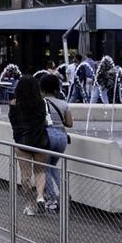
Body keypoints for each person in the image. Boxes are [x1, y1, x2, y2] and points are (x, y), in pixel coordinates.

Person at [9, 72, 52, 217]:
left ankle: (29, 205)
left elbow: (13, 123)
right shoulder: (41, 102)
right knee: (40, 172)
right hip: (40, 141)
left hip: (23, 143)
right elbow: (43, 121)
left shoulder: (14, 104)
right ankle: (40, 196)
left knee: (26, 176)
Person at [40, 71, 71, 214]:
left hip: (47, 137)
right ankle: (65, 193)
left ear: (43, 89)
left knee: (45, 167)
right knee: (53, 166)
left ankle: (52, 201)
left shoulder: (41, 103)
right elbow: (69, 123)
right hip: (62, 138)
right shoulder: (64, 103)